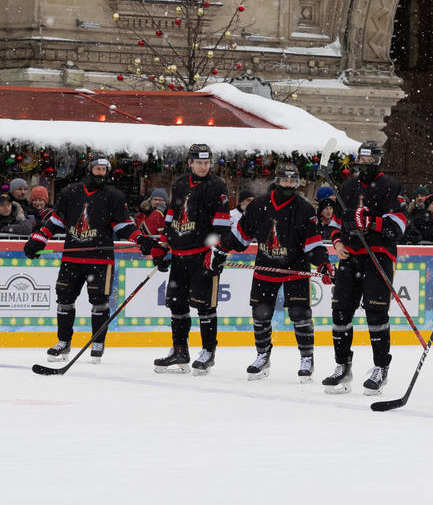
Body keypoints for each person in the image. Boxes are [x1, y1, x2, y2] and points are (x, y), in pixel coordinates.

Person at [217, 162, 333, 382]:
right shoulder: (258, 204)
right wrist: (222, 248)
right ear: (277, 180)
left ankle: (307, 358)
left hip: (295, 268)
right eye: (285, 180)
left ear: (297, 182)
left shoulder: (305, 208)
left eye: (293, 180)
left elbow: (313, 245)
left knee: (300, 315)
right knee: (260, 314)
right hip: (266, 267)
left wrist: (323, 264)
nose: (288, 184)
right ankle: (262, 355)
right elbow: (240, 236)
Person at [23, 152, 143, 362]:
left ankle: (98, 342)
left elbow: (122, 225)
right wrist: (39, 238)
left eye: (104, 170)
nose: (101, 173)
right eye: (98, 169)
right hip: (72, 258)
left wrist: (140, 238)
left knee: (99, 302)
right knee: (64, 300)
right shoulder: (71, 192)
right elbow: (57, 221)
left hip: (100, 260)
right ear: (89, 169)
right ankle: (64, 342)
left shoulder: (114, 195)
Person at [322, 140, 408, 395]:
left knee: (376, 315)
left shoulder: (391, 186)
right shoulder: (347, 186)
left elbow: (399, 226)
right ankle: (342, 366)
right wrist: (337, 243)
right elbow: (336, 222)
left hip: (378, 256)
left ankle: (381, 368)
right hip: (349, 258)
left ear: (379, 160)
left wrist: (370, 221)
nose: (366, 165)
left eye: (371, 161)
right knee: (340, 313)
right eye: (363, 160)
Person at [149, 143, 232, 376]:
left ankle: (208, 352)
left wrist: (217, 252)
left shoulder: (217, 187)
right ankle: (179, 350)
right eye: (199, 162)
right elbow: (172, 216)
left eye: (207, 163)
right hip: (179, 255)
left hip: (203, 257)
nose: (203, 167)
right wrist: (162, 245)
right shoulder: (180, 183)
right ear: (190, 163)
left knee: (205, 306)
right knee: (177, 305)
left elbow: (222, 224)